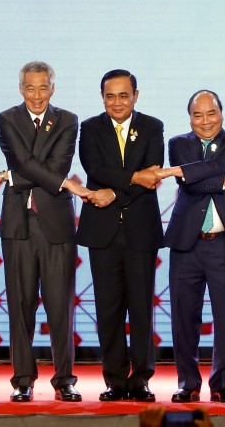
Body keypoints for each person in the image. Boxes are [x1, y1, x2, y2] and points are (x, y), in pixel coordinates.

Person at [0, 61, 89, 402]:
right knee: (20, 306)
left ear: (53, 88)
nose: (37, 95)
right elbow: (24, 161)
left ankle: (64, 379)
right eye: (30, 88)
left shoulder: (67, 120)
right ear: (21, 88)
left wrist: (11, 177)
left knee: (61, 306)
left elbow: (57, 166)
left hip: (56, 226)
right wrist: (27, 172)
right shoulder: (5, 119)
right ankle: (23, 379)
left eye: (43, 87)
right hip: (18, 226)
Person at [158, 90, 225, 404]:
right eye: (198, 115)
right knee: (183, 318)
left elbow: (207, 170)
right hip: (187, 245)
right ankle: (187, 383)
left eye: (211, 113)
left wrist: (185, 171)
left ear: (221, 113)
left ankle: (223, 384)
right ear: (190, 117)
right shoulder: (178, 144)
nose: (205, 121)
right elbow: (192, 184)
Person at [77, 69, 164, 403]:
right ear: (102, 98)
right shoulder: (90, 127)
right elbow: (95, 169)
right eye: (110, 96)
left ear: (136, 96)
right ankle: (114, 379)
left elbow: (152, 175)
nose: (117, 102)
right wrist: (131, 180)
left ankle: (141, 379)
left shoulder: (153, 126)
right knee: (109, 310)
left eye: (123, 95)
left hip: (141, 231)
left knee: (141, 309)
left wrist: (115, 193)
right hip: (103, 233)